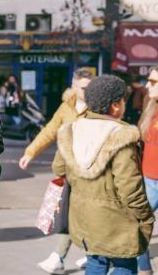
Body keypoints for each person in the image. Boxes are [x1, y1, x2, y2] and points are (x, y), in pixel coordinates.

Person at [52, 75, 154, 275]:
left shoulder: (71, 130)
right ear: (116, 106)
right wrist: (146, 218)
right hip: (118, 224)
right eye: (123, 100)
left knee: (95, 263)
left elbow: (59, 168)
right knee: (124, 266)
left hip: (85, 219)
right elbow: (130, 189)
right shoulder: (121, 137)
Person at [21, 68, 94, 274]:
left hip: (88, 171)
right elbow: (49, 131)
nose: (86, 92)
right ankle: (88, 254)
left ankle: (61, 257)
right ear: (73, 85)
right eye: (82, 88)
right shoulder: (66, 107)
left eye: (89, 87)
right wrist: (30, 152)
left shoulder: (97, 107)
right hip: (67, 171)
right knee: (70, 215)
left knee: (76, 215)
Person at [137, 66, 158, 275]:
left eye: (153, 82)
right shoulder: (151, 107)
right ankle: (144, 268)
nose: (147, 85)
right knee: (139, 224)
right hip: (149, 178)